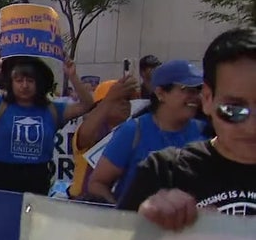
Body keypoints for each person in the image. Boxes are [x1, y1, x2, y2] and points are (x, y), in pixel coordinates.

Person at [118, 29, 256, 224]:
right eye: (233, 109)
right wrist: (145, 227)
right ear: (207, 99)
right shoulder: (164, 172)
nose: (251, 128)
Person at [0, 54, 94, 195]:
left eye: (30, 80)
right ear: (11, 82)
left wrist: (72, 76)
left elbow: (87, 104)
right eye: (19, 80)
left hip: (37, 179)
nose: (24, 85)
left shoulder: (53, 109)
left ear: (39, 83)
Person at [88, 60, 207, 204]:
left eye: (198, 90)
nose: (195, 96)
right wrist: (121, 216)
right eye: (186, 89)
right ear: (160, 93)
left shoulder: (205, 132)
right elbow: (97, 183)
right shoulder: (132, 131)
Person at [68, 77, 137, 200]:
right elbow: (85, 135)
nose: (125, 103)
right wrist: (111, 97)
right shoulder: (92, 129)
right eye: (118, 99)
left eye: (127, 99)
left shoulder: (133, 131)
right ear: (101, 104)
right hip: (84, 205)